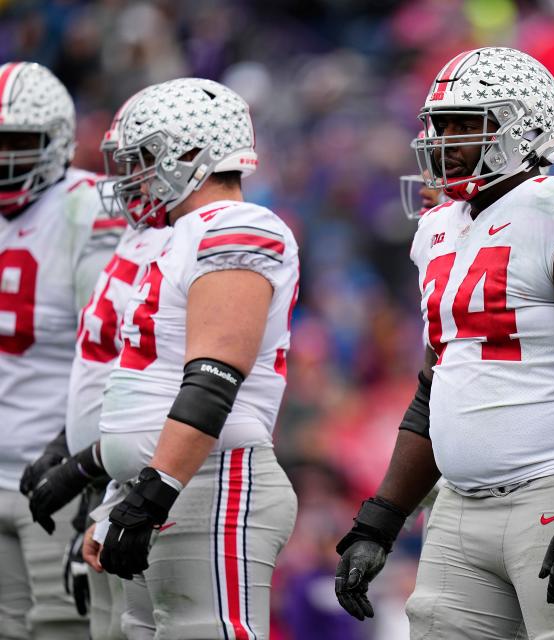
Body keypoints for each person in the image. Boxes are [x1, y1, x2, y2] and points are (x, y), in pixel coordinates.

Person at [334, 46, 554, 639]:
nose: (444, 139)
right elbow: (438, 389)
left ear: (522, 126)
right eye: (440, 124)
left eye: (466, 124)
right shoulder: (438, 230)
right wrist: (380, 520)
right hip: (456, 507)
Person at [86, 77, 300, 639]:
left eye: (145, 157)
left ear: (190, 155)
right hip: (162, 482)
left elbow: (213, 377)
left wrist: (152, 494)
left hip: (210, 479)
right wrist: (118, 495)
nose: (131, 174)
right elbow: (143, 383)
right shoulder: (174, 235)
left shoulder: (238, 226)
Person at [23, 89, 173, 640]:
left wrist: (83, 472)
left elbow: (172, 387)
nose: (128, 177)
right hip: (114, 482)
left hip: (167, 483)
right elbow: (102, 376)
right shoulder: (135, 237)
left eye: (143, 161)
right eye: (126, 162)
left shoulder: (198, 241)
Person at [0, 61, 121, 639]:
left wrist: (89, 484)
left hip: (52, 474)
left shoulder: (89, 207)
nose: (4, 157)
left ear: (58, 140)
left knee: (60, 629)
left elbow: (111, 351)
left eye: (17, 142)